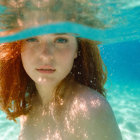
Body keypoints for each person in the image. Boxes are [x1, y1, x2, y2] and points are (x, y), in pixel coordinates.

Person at [0, 0, 122, 140]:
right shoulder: (28, 104)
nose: (45, 55)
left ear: (77, 49)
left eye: (61, 40)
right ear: (17, 47)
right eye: (32, 38)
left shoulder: (90, 109)